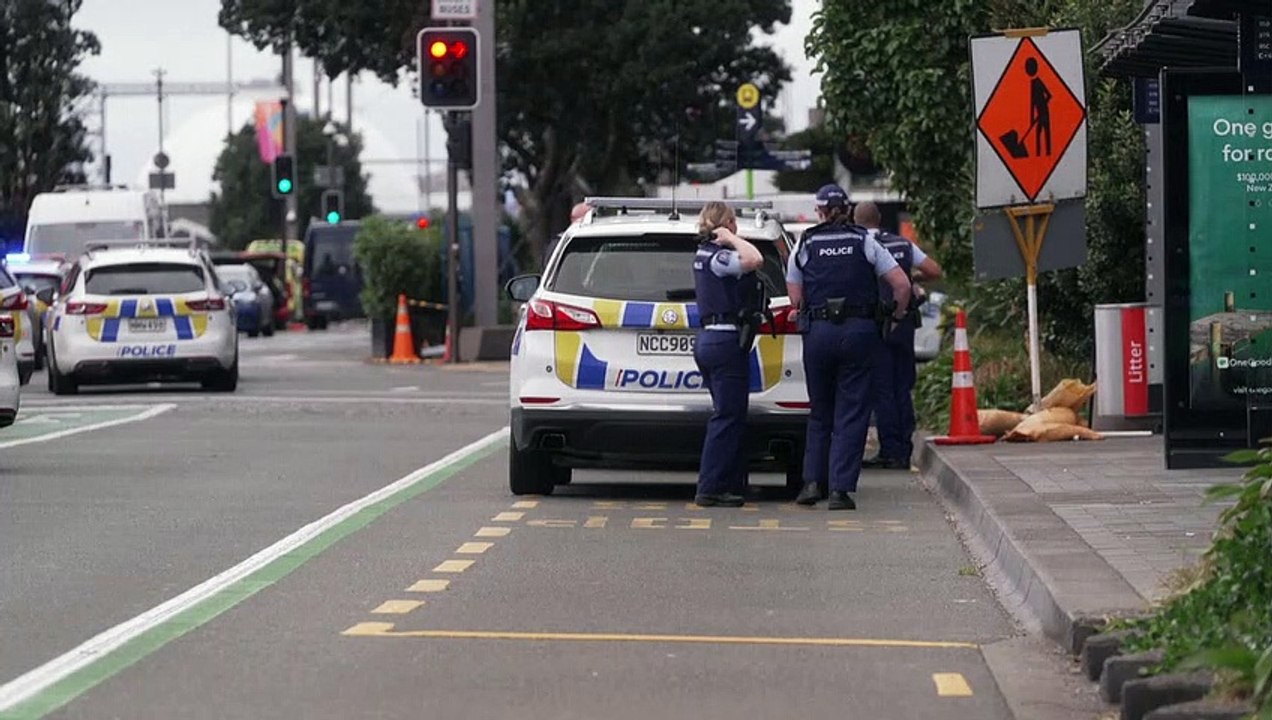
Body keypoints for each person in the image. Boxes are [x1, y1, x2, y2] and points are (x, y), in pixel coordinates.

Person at [786, 185, 911, 510]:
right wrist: (895, 316)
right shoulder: (864, 240)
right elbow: (901, 284)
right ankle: (840, 490)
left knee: (820, 411)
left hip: (818, 333)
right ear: (847, 208)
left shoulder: (806, 241)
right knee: (852, 412)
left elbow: (795, 296)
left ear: (819, 211)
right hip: (858, 332)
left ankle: (813, 483)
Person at [853, 201, 943, 471]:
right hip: (903, 324)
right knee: (902, 386)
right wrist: (908, 276)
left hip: (875, 324)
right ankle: (904, 447)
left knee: (882, 389)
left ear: (856, 220)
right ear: (879, 218)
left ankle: (890, 450)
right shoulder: (903, 244)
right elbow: (935, 271)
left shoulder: (859, 244)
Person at [691, 201, 764, 507]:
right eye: (733, 223)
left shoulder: (702, 253)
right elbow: (756, 259)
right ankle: (710, 487)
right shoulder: (720, 256)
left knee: (728, 413)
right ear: (728, 223)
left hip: (708, 340)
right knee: (728, 416)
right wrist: (731, 239)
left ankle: (732, 482)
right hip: (724, 342)